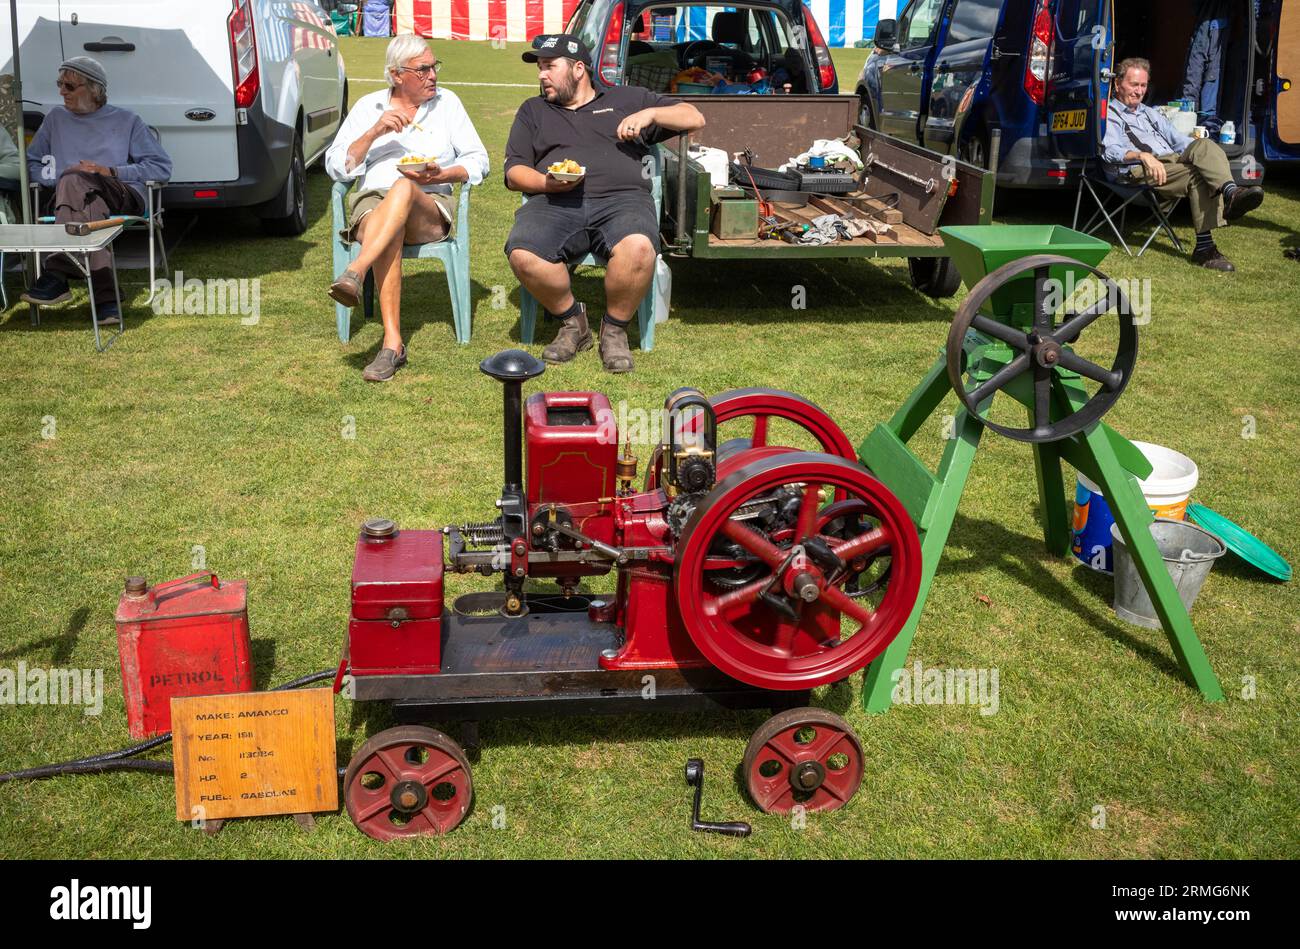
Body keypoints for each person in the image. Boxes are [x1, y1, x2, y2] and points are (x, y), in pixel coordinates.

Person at [504, 34, 705, 373]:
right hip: (554, 201)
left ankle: (614, 329)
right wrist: (546, 183)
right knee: (523, 254)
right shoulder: (533, 111)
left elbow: (694, 116)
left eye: (549, 67)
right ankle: (572, 322)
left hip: (622, 202)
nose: (541, 76)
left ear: (579, 68)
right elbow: (514, 172)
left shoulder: (628, 98)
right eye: (539, 68)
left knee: (639, 249)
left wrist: (651, 114)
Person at [326, 34, 489, 382]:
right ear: (396, 74)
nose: (433, 75)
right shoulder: (370, 107)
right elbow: (338, 167)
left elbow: (479, 160)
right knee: (390, 226)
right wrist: (374, 132)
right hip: (374, 204)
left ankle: (356, 270)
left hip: (428, 206)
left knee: (403, 186)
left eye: (434, 67)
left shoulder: (448, 104)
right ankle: (393, 344)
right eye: (423, 69)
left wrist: (443, 174)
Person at [21, 57, 172, 322]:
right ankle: (107, 298)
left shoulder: (127, 120)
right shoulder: (55, 118)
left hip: (121, 193)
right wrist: (55, 178)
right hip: (76, 199)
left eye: (69, 85)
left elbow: (161, 168)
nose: (61, 91)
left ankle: (56, 273)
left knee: (74, 178)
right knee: (80, 191)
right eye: (59, 84)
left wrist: (112, 171)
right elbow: (32, 162)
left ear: (94, 89)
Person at [1103, 57, 1263, 272]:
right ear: (1117, 84)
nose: (1139, 91)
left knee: (1205, 145)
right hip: (1135, 171)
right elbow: (1109, 151)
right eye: (1134, 85)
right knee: (1197, 175)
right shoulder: (1109, 114)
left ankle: (1231, 192)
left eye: (1143, 85)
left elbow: (1180, 141)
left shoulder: (1149, 113)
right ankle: (1205, 247)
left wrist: (1206, 152)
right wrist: (1142, 156)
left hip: (1170, 162)